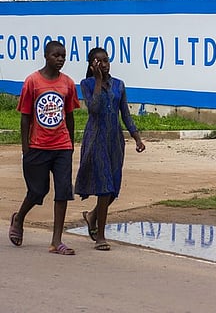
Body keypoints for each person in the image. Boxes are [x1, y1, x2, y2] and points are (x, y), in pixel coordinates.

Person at [8, 40, 80, 255]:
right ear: (46, 56)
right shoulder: (32, 82)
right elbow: (25, 117)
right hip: (37, 146)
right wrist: (25, 148)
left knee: (63, 191)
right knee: (38, 191)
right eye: (56, 55)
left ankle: (56, 241)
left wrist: (71, 144)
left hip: (62, 147)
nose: (60, 60)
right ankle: (19, 218)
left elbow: (69, 116)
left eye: (63, 56)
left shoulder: (67, 83)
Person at [75, 47, 145, 251]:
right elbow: (94, 108)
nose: (104, 65)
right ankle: (101, 237)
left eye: (106, 61)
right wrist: (97, 81)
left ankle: (92, 216)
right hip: (96, 140)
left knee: (113, 189)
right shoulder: (87, 84)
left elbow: (125, 114)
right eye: (99, 62)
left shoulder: (119, 85)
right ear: (92, 65)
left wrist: (136, 137)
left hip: (115, 141)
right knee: (104, 187)